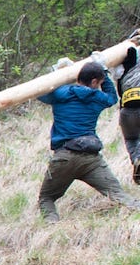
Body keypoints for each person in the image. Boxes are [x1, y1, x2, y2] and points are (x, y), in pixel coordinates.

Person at [37, 60, 140, 222]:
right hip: (91, 159)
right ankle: (135, 216)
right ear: (94, 82)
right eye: (99, 83)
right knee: (118, 194)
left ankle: (52, 225)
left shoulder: (60, 94)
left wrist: (56, 74)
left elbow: (40, 92)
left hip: (64, 157)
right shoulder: (97, 97)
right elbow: (113, 98)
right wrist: (105, 73)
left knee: (46, 198)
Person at [116, 44, 140, 184]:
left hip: (126, 110)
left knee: (131, 139)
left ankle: (136, 158)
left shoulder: (124, 65)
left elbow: (119, 91)